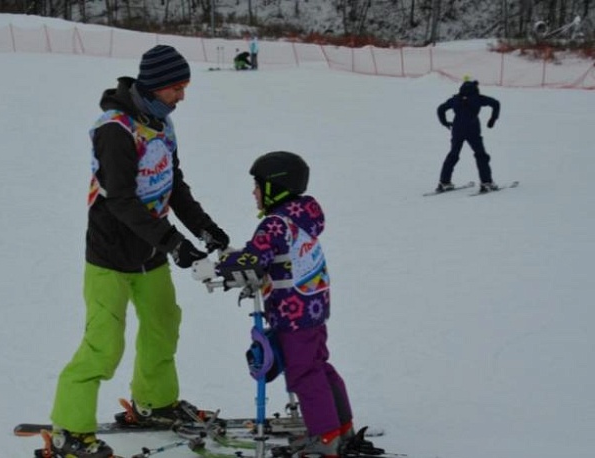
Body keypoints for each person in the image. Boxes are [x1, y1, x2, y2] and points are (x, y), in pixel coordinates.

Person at [46, 44, 230, 458]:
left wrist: (206, 230)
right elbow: (122, 201)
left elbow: (174, 186)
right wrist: (175, 243)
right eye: (176, 88)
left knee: (164, 325)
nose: (182, 96)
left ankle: (155, 402)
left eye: (184, 87)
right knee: (103, 344)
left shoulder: (161, 125)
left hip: (150, 255)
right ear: (154, 85)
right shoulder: (116, 130)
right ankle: (68, 431)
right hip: (110, 255)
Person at [214, 152, 380, 458]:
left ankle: (325, 437)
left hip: (293, 311)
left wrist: (222, 265)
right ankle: (341, 427)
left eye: (257, 185)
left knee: (303, 373)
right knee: (319, 365)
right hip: (313, 305)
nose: (253, 192)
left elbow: (255, 258)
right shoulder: (302, 215)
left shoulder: (275, 225)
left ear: (275, 188)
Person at [436, 79, 501, 193]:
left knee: (453, 155)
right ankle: (486, 182)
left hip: (457, 130)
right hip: (472, 130)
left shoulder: (455, 99)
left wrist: (445, 122)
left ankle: (444, 182)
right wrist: (492, 119)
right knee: (481, 155)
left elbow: (440, 109)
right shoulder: (478, 99)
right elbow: (496, 103)